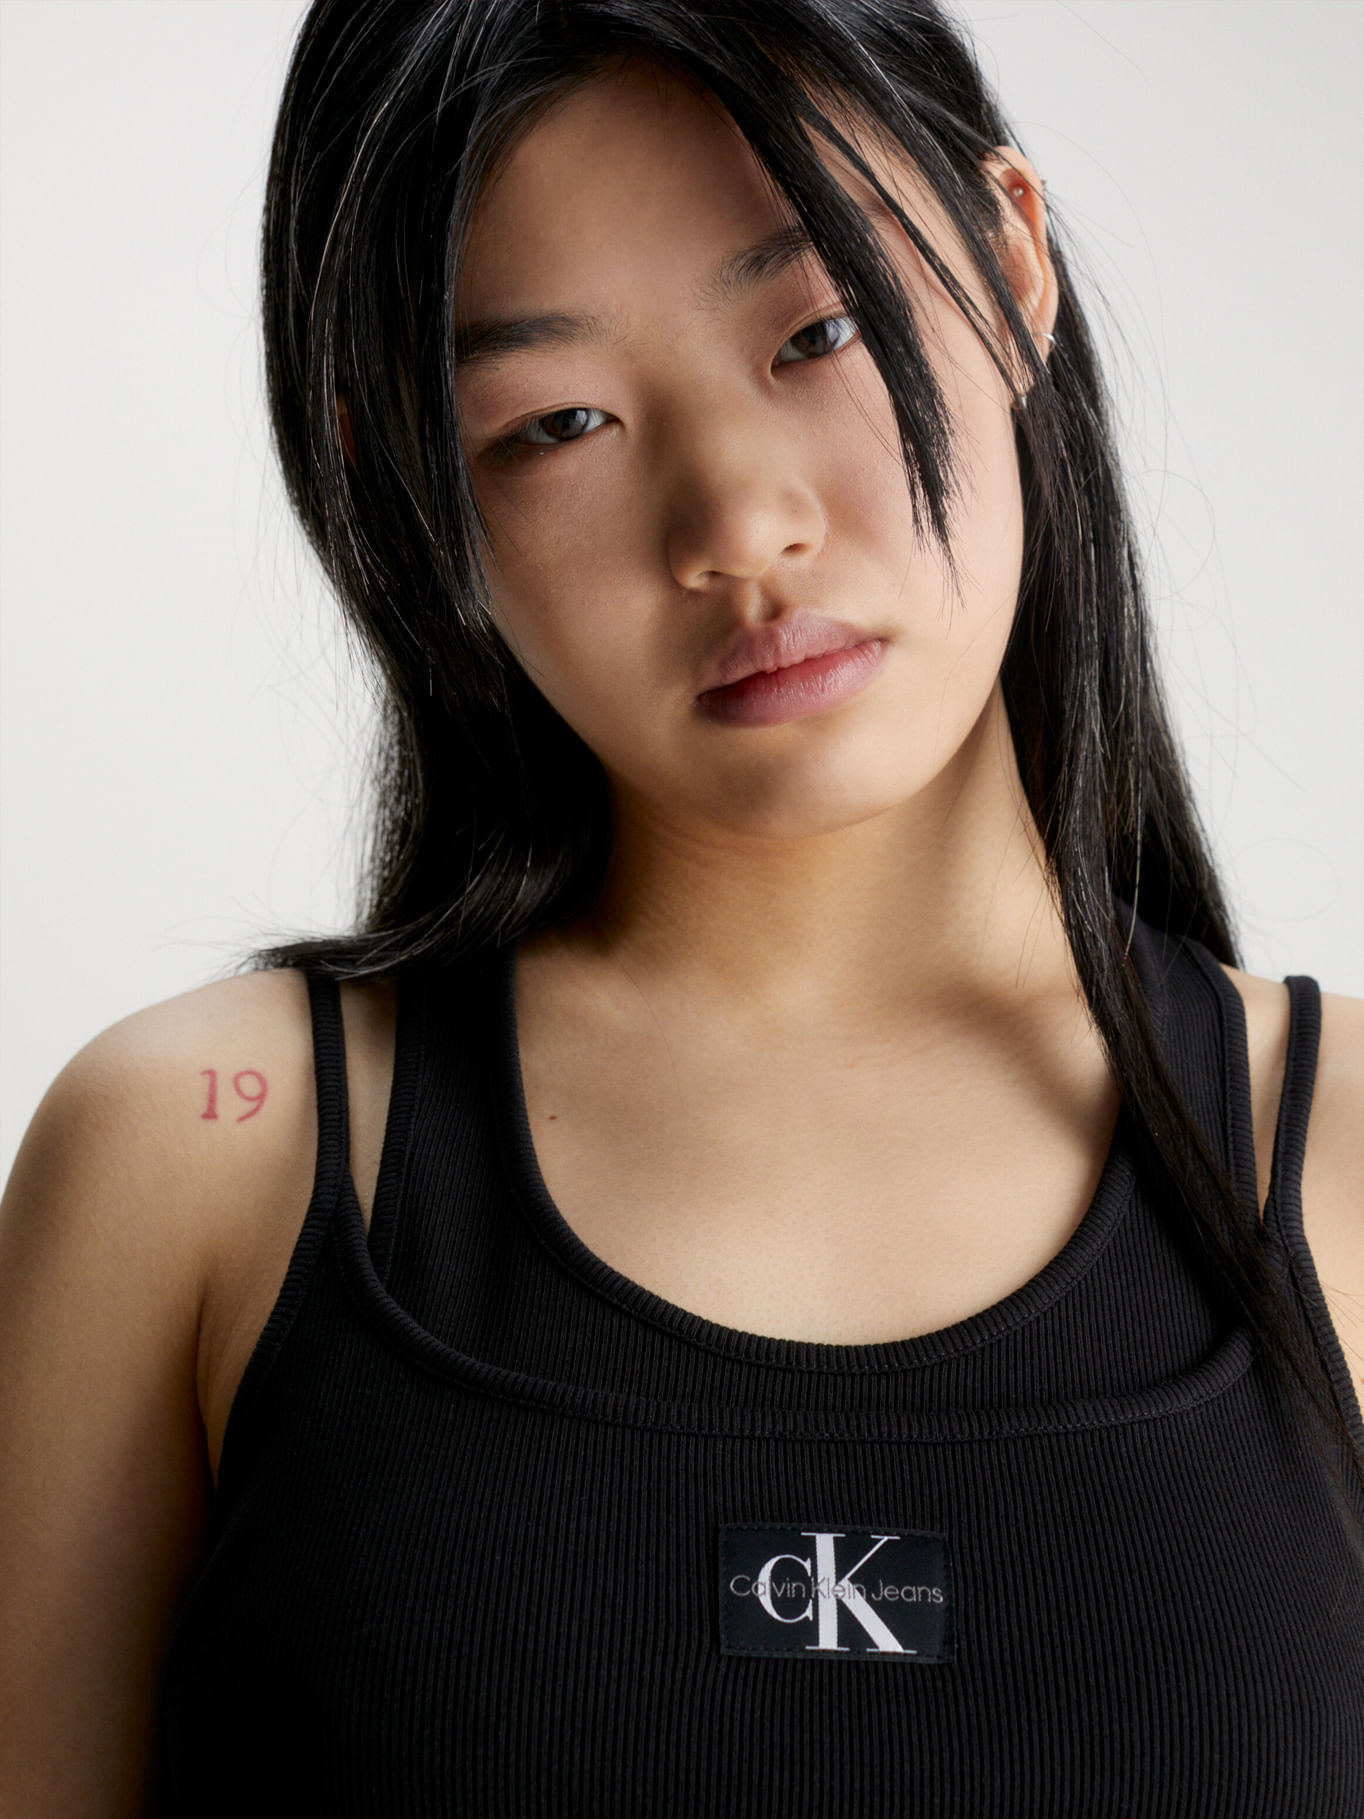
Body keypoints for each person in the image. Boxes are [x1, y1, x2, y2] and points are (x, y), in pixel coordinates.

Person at [2, 1, 1361, 1814]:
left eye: (820, 329)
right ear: (396, 477)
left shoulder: (1350, 1166)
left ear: (1012, 261)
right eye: (558, 422)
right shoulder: (205, 1158)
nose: (736, 522)